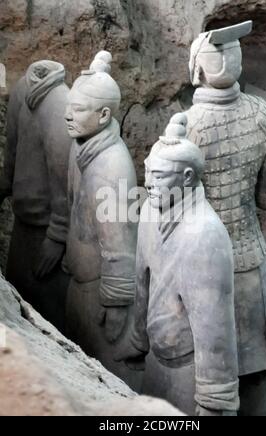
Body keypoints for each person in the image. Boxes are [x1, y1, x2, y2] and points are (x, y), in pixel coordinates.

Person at [185, 21, 266, 416]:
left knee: (206, 376)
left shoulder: (187, 127)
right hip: (250, 260)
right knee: (260, 367)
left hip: (201, 268)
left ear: (198, 69)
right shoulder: (261, 114)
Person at [116, 113, 239, 416]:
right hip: (156, 362)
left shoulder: (205, 235)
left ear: (186, 177)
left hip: (188, 372)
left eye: (159, 175)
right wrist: (138, 340)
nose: (150, 182)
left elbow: (215, 331)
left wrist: (214, 402)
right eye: (147, 172)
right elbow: (142, 280)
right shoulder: (149, 209)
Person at [65, 51, 140, 391]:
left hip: (100, 299)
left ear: (105, 115)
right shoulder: (83, 143)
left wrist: (116, 307)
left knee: (108, 383)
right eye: (70, 105)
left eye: (78, 110)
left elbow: (121, 245)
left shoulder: (113, 166)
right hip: (82, 288)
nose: (68, 115)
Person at [0, 60, 72, 332]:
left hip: (45, 233)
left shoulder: (60, 104)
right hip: (22, 224)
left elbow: (62, 173)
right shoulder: (21, 90)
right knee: (18, 300)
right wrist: (6, 184)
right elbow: (12, 148)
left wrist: (57, 235)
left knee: (49, 314)